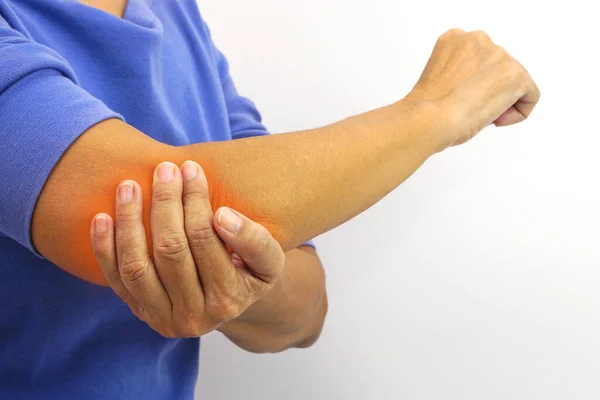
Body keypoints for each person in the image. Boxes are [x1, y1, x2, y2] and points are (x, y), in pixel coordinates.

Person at [0, 0, 539, 398]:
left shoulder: (177, 13)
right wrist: (434, 111)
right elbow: (131, 212)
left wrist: (231, 274)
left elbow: (305, 310)